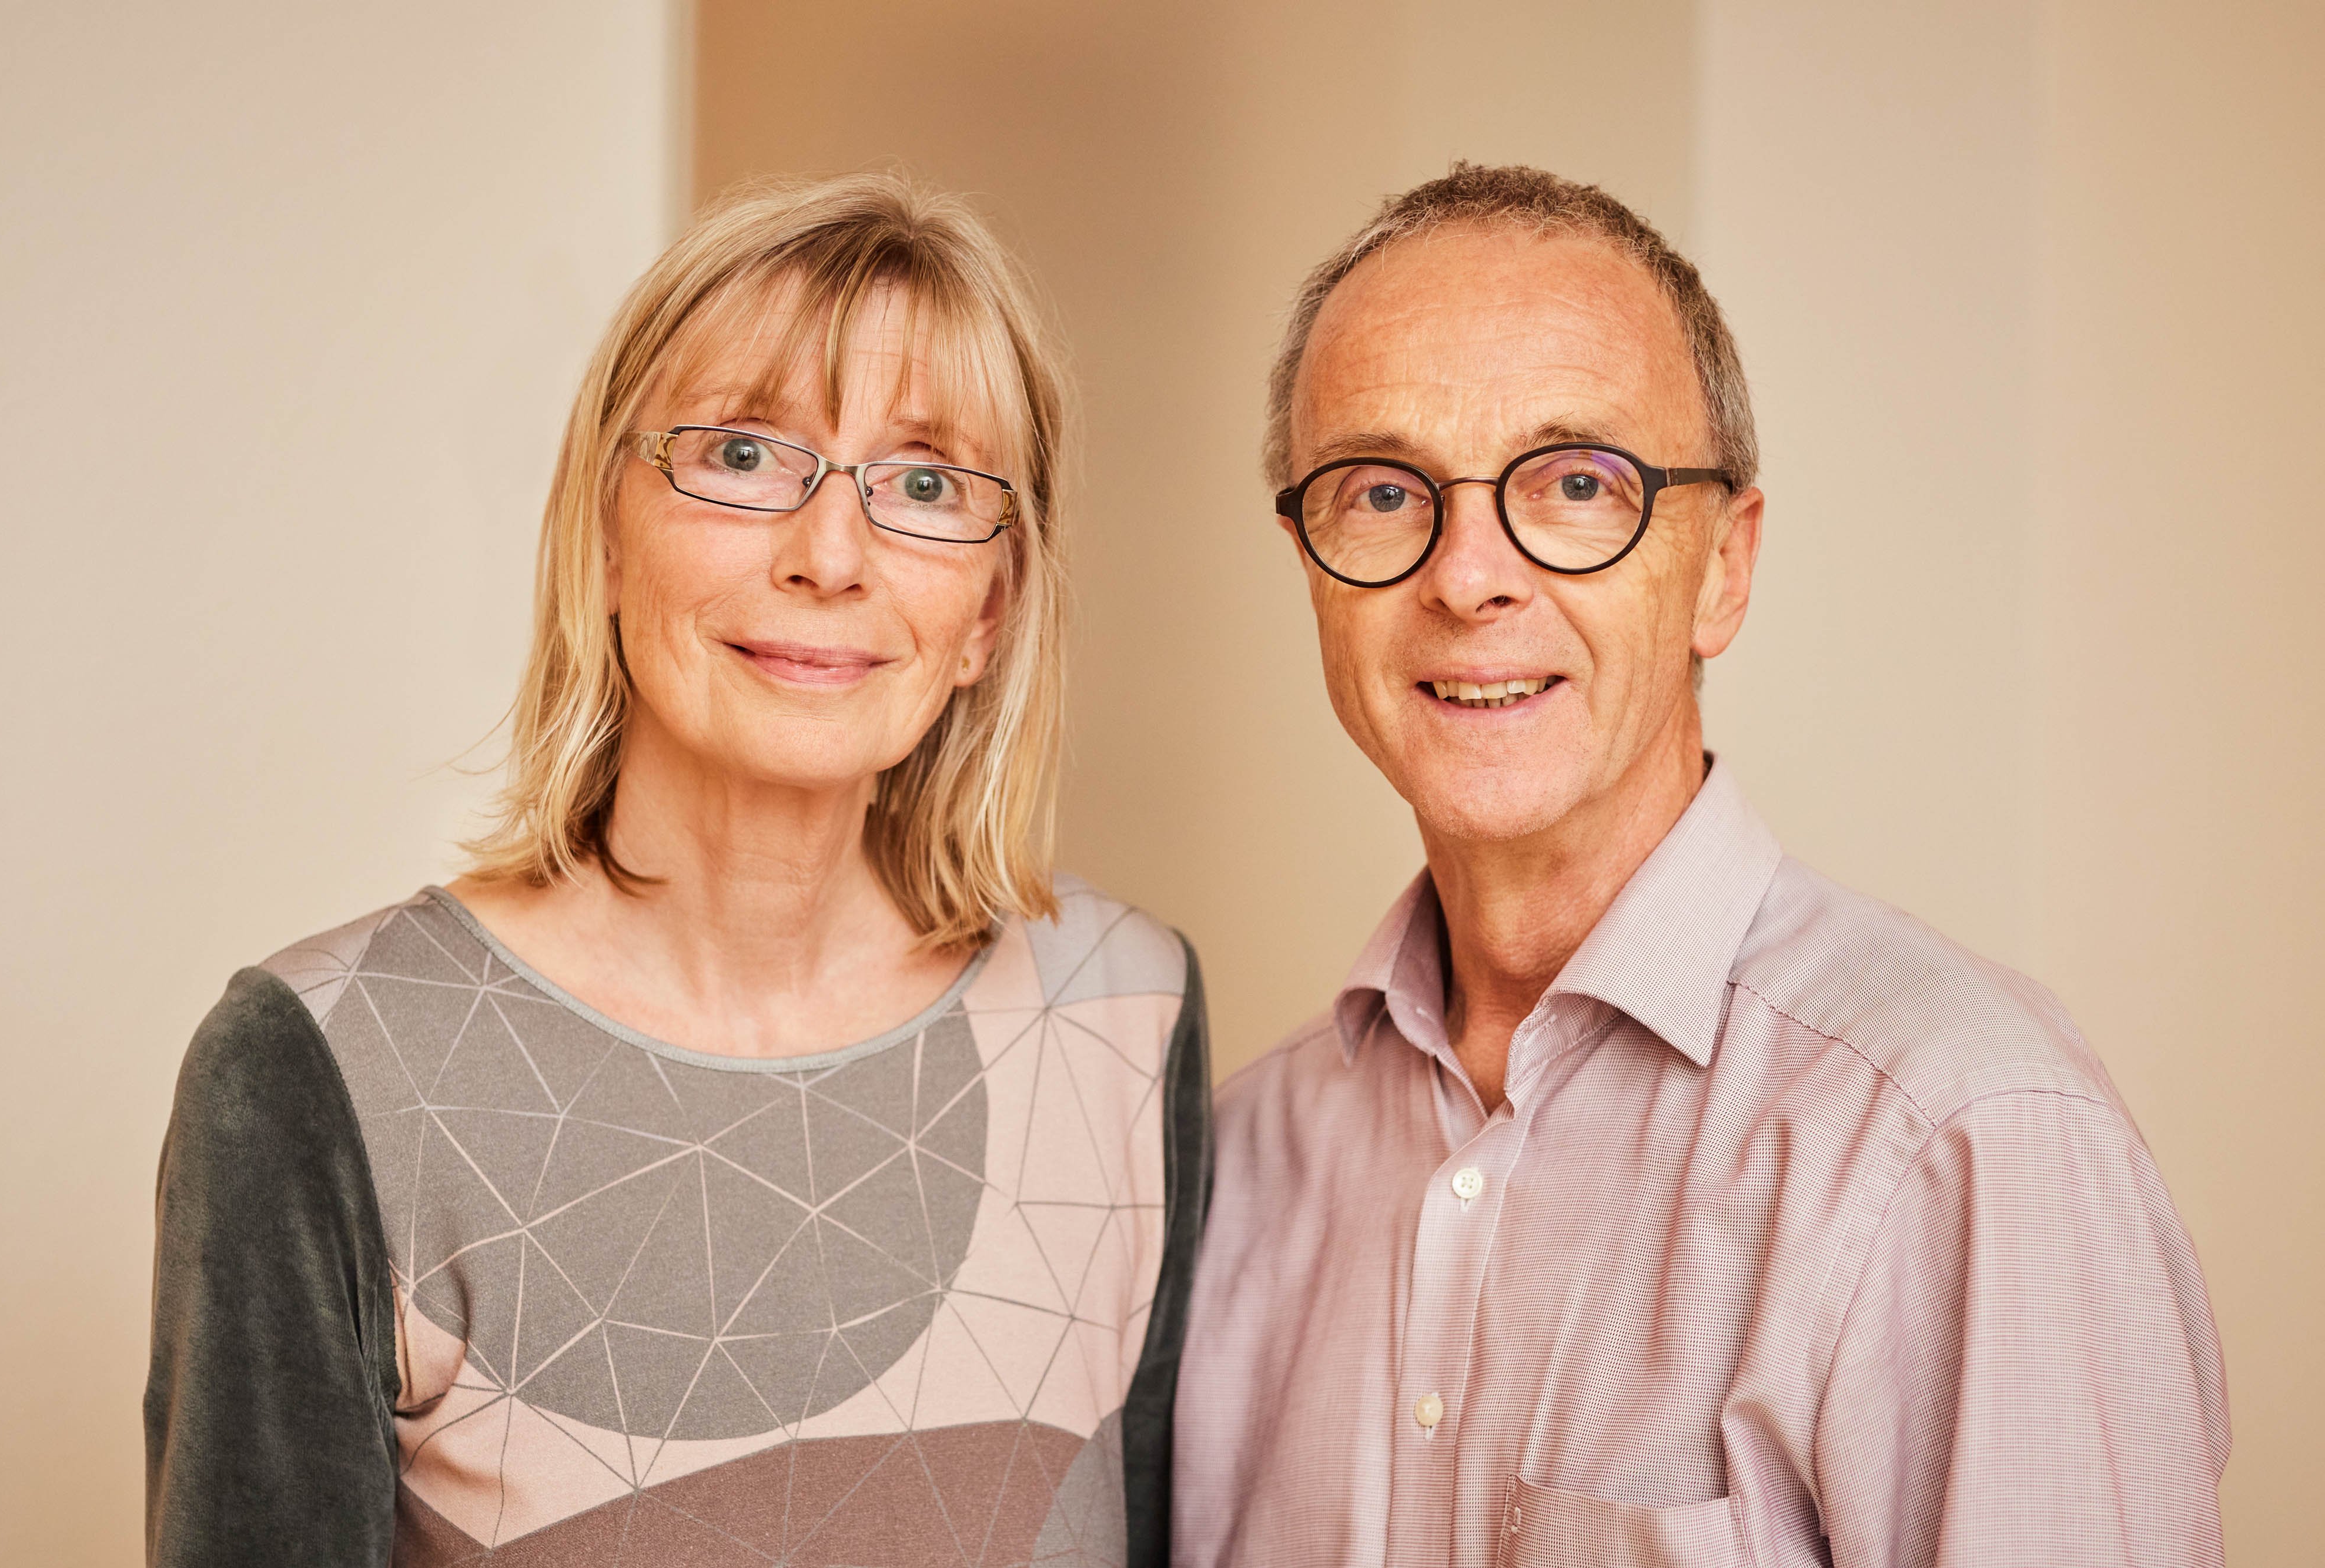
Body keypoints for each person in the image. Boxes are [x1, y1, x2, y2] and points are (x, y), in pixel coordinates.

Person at [145, 172, 1210, 1568]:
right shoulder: (321, 1063)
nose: (831, 554)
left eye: (925, 482)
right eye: (744, 454)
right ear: (604, 535)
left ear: (988, 612)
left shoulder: (1123, 1013)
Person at [1171, 163, 2227, 1567]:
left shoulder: (1961, 1137)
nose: (1467, 577)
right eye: (1380, 490)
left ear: (1723, 568)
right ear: (1308, 562)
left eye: (1575, 482)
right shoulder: (1226, 1169)